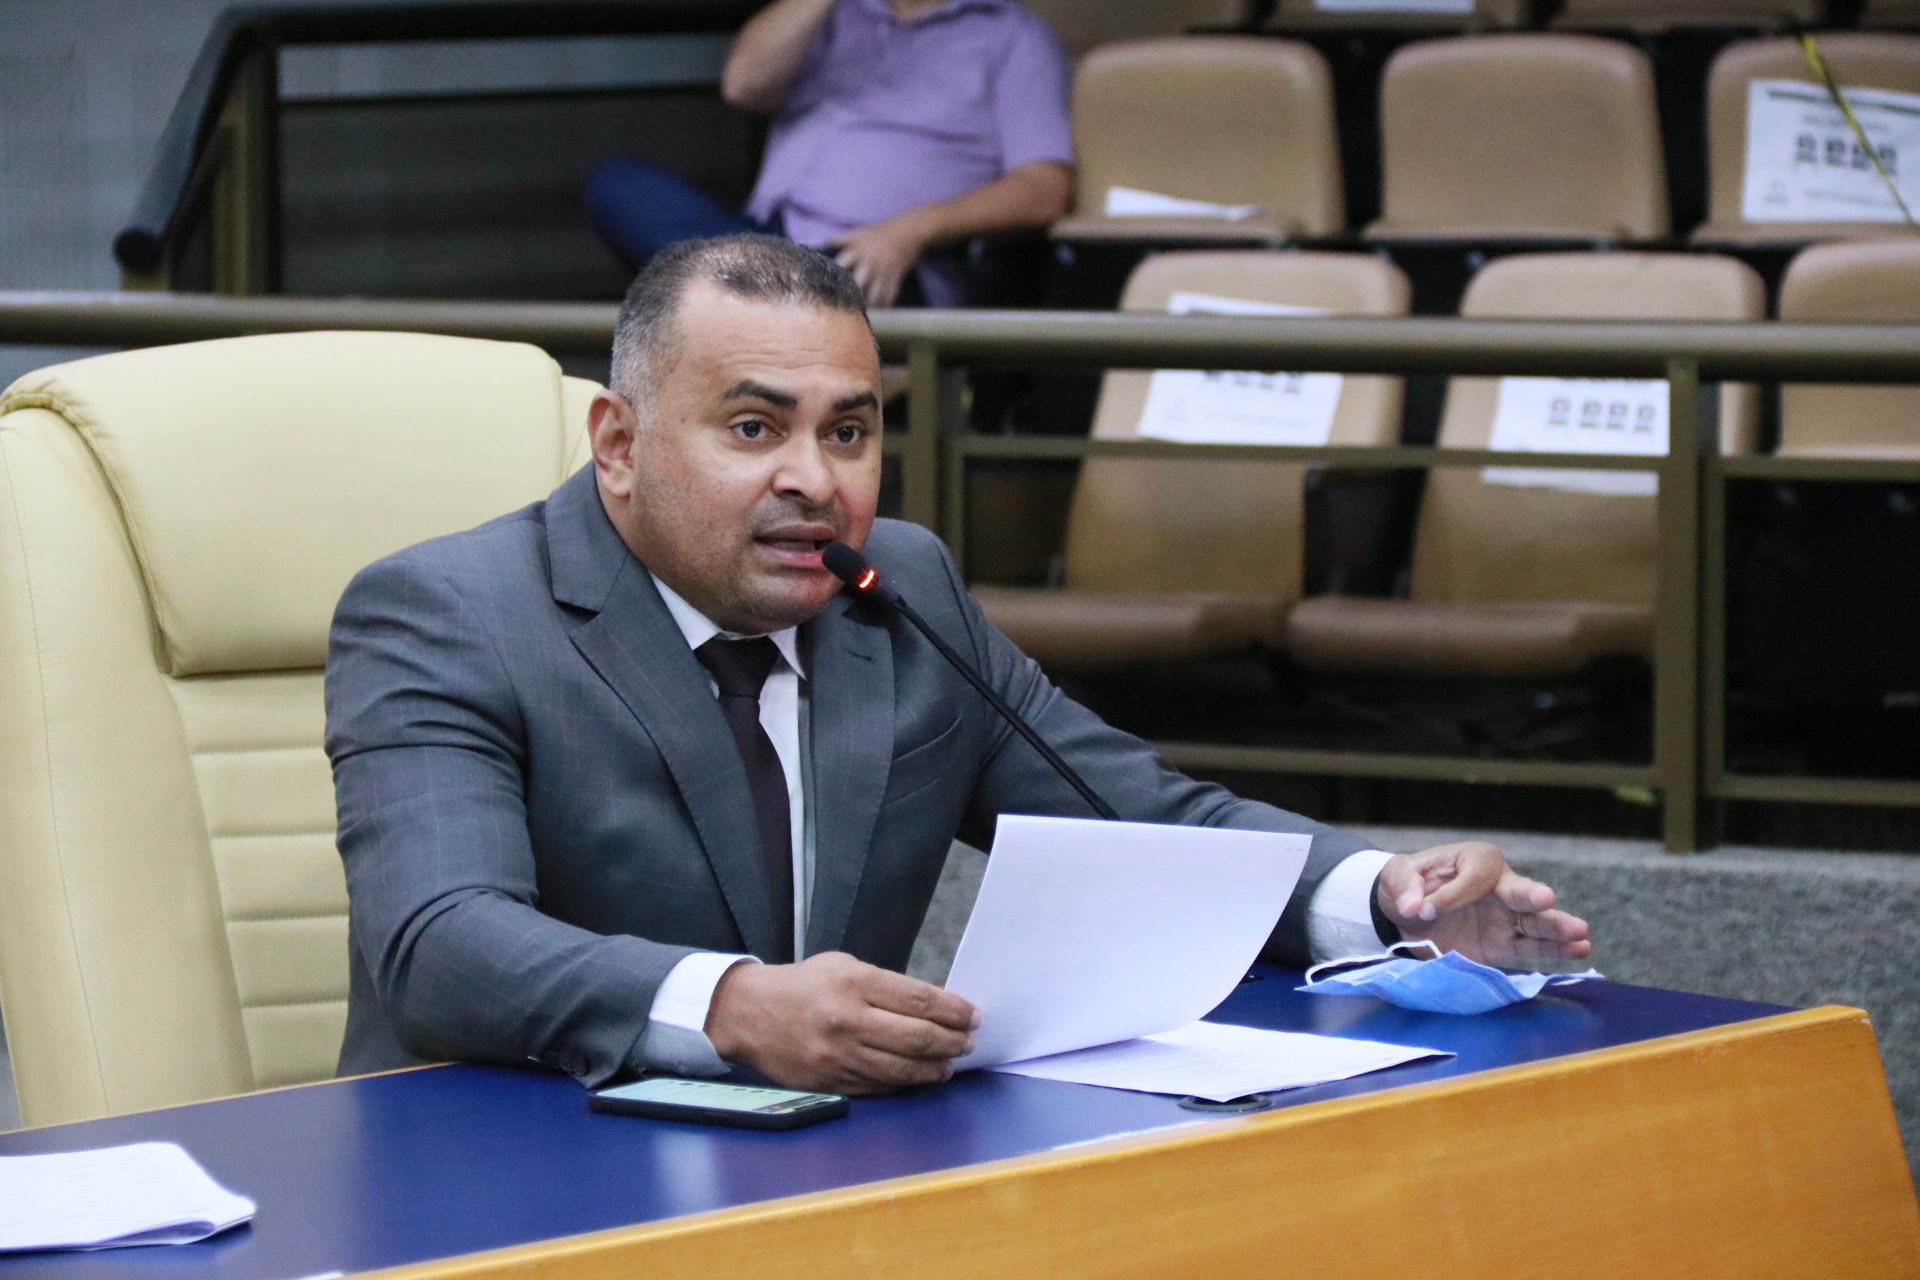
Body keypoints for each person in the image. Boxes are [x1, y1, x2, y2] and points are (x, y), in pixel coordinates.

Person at [326, 235, 1591, 1096]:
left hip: (830, 1173)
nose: (814, 480)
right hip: (511, 1177)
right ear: (618, 443)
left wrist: (1391, 896)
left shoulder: (900, 587)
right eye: (754, 427)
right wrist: (732, 1005)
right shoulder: (448, 613)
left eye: (850, 432)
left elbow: (1137, 814)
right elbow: (441, 944)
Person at [583, 0, 1074, 308]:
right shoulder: (827, 18)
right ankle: (770, 307)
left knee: (712, 286)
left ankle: (748, 309)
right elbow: (743, 85)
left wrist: (911, 230)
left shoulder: (1011, 36)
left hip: (877, 264)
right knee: (618, 187)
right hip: (765, 240)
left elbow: (1044, 189)